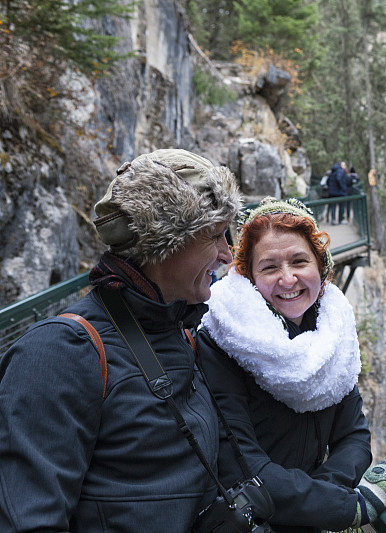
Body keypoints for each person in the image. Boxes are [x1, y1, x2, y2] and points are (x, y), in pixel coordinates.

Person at [0, 149, 242, 532]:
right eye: (215, 236)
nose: (227, 254)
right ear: (164, 243)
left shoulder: (182, 331)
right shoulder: (58, 354)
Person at [197, 196, 386, 532]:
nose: (288, 279)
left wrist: (318, 496)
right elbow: (243, 466)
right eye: (270, 267)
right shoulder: (222, 343)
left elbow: (354, 436)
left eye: (299, 261)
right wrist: (342, 506)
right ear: (249, 277)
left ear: (321, 268)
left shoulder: (333, 337)